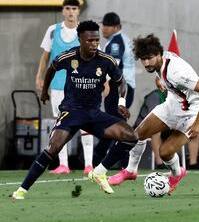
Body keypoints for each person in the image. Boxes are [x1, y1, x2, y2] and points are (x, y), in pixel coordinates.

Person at [12, 21, 138, 199]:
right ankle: (21, 190)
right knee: (52, 148)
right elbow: (51, 69)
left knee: (131, 136)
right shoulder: (68, 57)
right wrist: (45, 92)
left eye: (96, 40)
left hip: (94, 114)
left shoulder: (105, 60)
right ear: (80, 40)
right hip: (71, 112)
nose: (94, 44)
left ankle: (99, 172)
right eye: (90, 41)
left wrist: (122, 102)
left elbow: (121, 82)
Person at [94, 34, 199, 193]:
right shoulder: (161, 63)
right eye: (143, 59)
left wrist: (197, 123)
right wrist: (161, 81)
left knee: (165, 153)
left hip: (193, 112)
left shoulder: (177, 72)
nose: (146, 63)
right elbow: (163, 75)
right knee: (137, 134)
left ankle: (176, 174)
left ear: (159, 55)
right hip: (173, 104)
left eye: (149, 58)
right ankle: (130, 170)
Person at [35, 0, 94, 175]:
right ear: (63, 11)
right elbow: (46, 57)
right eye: (67, 8)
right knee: (60, 123)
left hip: (81, 85)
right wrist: (40, 76)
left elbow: (94, 55)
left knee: (85, 122)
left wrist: (103, 80)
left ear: (78, 11)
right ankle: (63, 165)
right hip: (58, 84)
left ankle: (89, 165)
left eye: (74, 8)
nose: (70, 12)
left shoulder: (85, 31)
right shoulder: (53, 30)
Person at [92, 12, 136, 167]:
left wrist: (105, 85)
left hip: (118, 88)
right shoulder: (121, 39)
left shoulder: (116, 42)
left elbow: (112, 66)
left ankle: (101, 159)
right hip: (126, 87)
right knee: (116, 123)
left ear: (118, 27)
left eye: (108, 25)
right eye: (103, 25)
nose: (104, 28)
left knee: (113, 124)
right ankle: (117, 162)